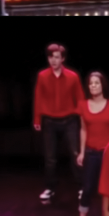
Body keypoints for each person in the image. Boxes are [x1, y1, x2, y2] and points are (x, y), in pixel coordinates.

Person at [69, 72, 109, 216]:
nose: (93, 86)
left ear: (102, 85)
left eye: (96, 83)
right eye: (90, 83)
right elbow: (83, 129)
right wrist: (82, 152)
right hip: (92, 152)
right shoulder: (83, 105)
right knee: (88, 188)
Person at [34, 43, 85, 203]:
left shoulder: (72, 76)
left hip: (69, 120)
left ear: (62, 59)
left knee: (76, 154)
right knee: (50, 157)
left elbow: (80, 97)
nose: (53, 60)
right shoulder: (42, 75)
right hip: (49, 120)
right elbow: (39, 97)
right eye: (50, 57)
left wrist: (82, 117)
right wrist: (37, 118)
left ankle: (82, 187)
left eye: (56, 57)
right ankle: (50, 188)